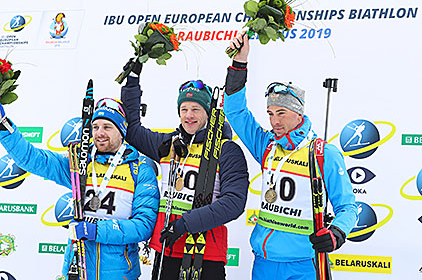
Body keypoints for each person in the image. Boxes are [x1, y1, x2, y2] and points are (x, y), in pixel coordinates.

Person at [223, 34, 358, 280]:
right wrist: (239, 65)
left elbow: (348, 206)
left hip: (303, 264)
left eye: (281, 113)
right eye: (270, 113)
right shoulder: (267, 144)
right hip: (264, 261)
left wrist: (336, 232)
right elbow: (235, 112)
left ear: (298, 114)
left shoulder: (323, 153)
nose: (274, 121)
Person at [0, 97, 160, 280]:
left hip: (120, 274)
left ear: (122, 131)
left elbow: (143, 226)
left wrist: (95, 230)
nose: (100, 133)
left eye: (107, 127)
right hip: (77, 269)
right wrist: (3, 125)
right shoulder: (79, 163)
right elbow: (32, 158)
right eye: (95, 127)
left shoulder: (140, 170)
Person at [120, 61, 249, 280]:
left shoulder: (227, 150)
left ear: (207, 112)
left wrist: (185, 224)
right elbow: (131, 130)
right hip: (167, 248)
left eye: (196, 109)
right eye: (184, 109)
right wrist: (132, 81)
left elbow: (234, 203)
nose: (189, 115)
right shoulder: (168, 144)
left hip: (205, 252)